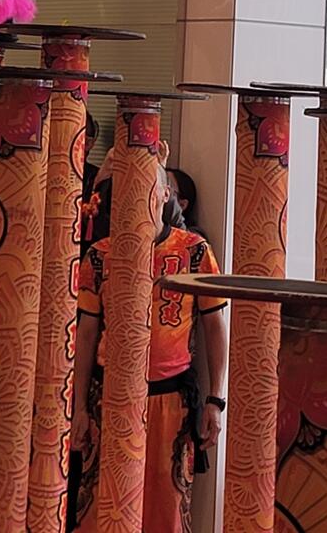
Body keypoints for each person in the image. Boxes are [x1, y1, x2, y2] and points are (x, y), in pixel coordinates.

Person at [71, 167, 228, 533]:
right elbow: (86, 335)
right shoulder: (99, 256)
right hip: (107, 398)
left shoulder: (194, 251)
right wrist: (78, 407)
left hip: (171, 400)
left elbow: (215, 327)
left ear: (164, 195)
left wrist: (216, 401)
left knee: (166, 510)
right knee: (100, 508)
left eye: (147, 188)